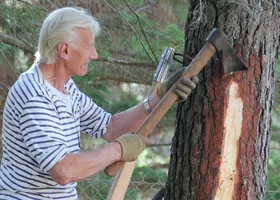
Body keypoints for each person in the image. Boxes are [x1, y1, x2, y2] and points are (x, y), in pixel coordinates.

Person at [0, 7, 198, 200]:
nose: (94, 55)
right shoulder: (34, 96)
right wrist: (118, 150)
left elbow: (110, 127)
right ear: (65, 50)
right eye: (89, 46)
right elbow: (63, 169)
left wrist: (157, 99)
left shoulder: (65, 88)